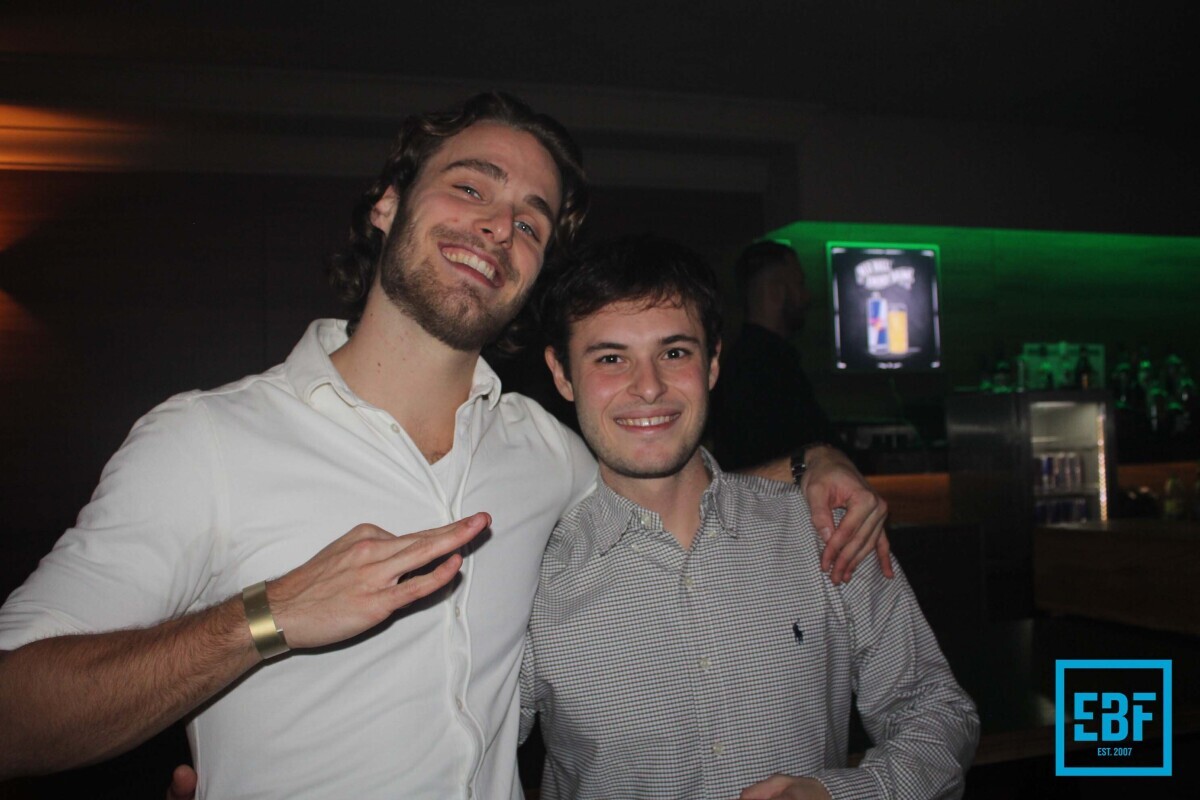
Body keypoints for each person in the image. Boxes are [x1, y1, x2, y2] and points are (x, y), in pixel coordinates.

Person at [0, 94, 886, 798]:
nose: (500, 227)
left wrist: (811, 463)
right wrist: (264, 618)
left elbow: (671, 487)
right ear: (387, 204)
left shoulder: (544, 450)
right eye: (471, 187)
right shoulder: (208, 442)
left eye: (532, 221)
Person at [522, 235, 978, 799]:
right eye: (611, 359)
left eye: (674, 353)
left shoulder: (823, 528)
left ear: (713, 362)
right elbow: (462, 756)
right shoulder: (530, 575)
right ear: (562, 374)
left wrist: (843, 795)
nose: (649, 387)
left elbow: (936, 709)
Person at [714, 240, 844, 470]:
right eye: (800, 284)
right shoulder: (768, 368)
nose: (806, 296)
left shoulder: (743, 361)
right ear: (776, 291)